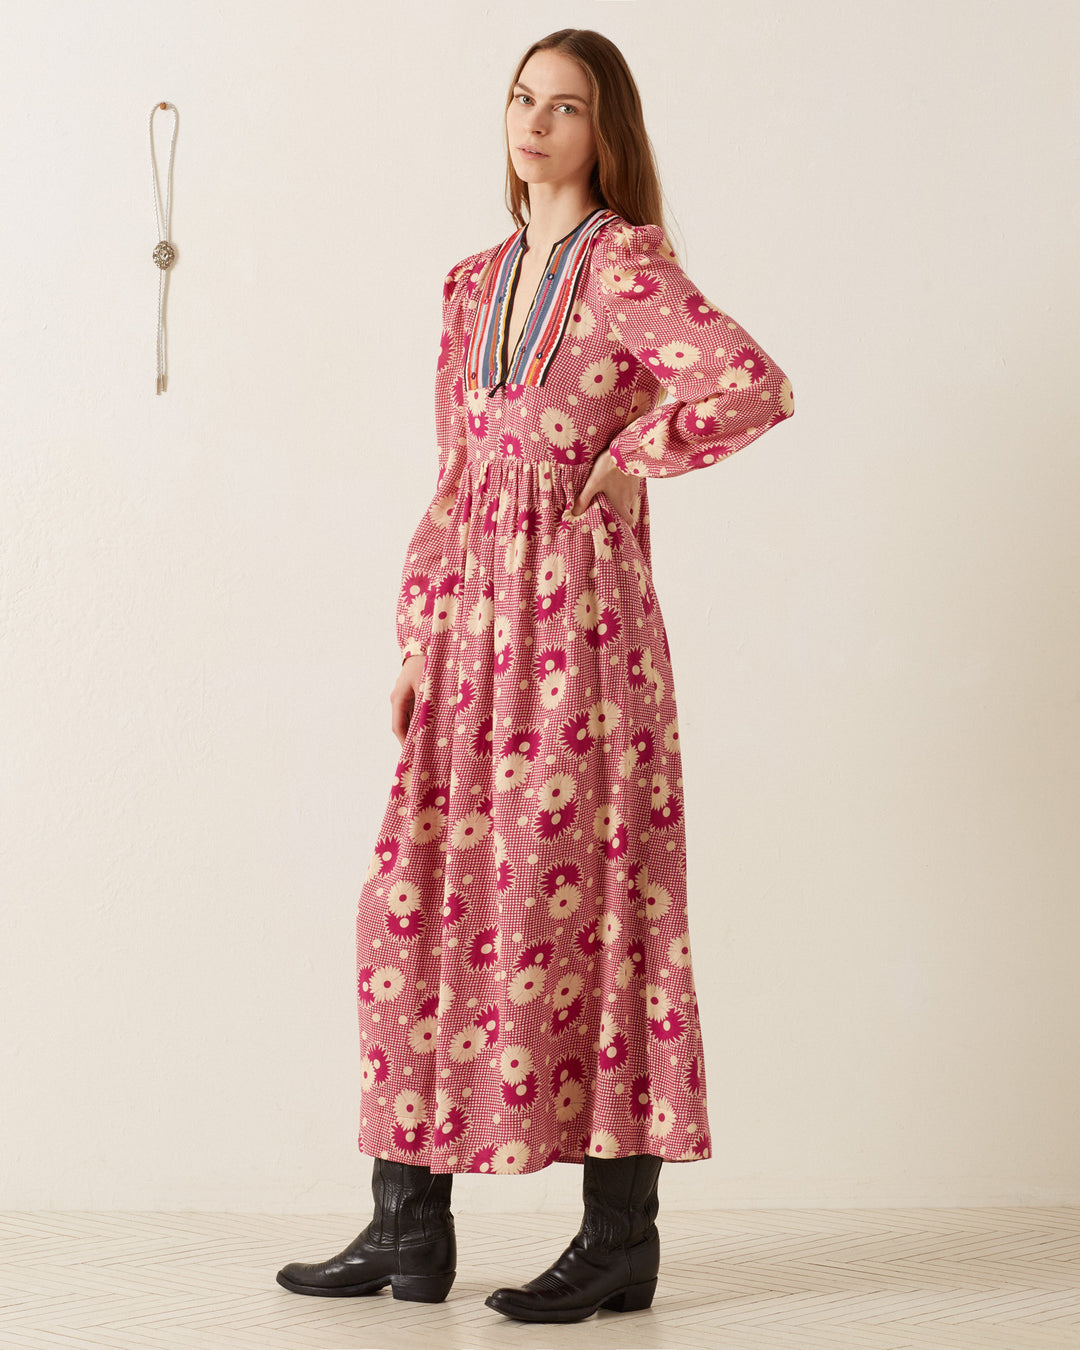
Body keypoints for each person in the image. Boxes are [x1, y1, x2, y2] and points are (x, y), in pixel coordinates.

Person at [276, 27, 795, 1326]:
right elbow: (454, 477)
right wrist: (417, 631)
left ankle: (619, 1239)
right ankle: (409, 1227)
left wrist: (639, 457)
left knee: (597, 915)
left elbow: (747, 382)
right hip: (471, 642)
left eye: (564, 106)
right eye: (521, 98)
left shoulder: (628, 267)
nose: (535, 122)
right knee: (419, 898)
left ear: (603, 129)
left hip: (583, 643)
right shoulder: (467, 286)